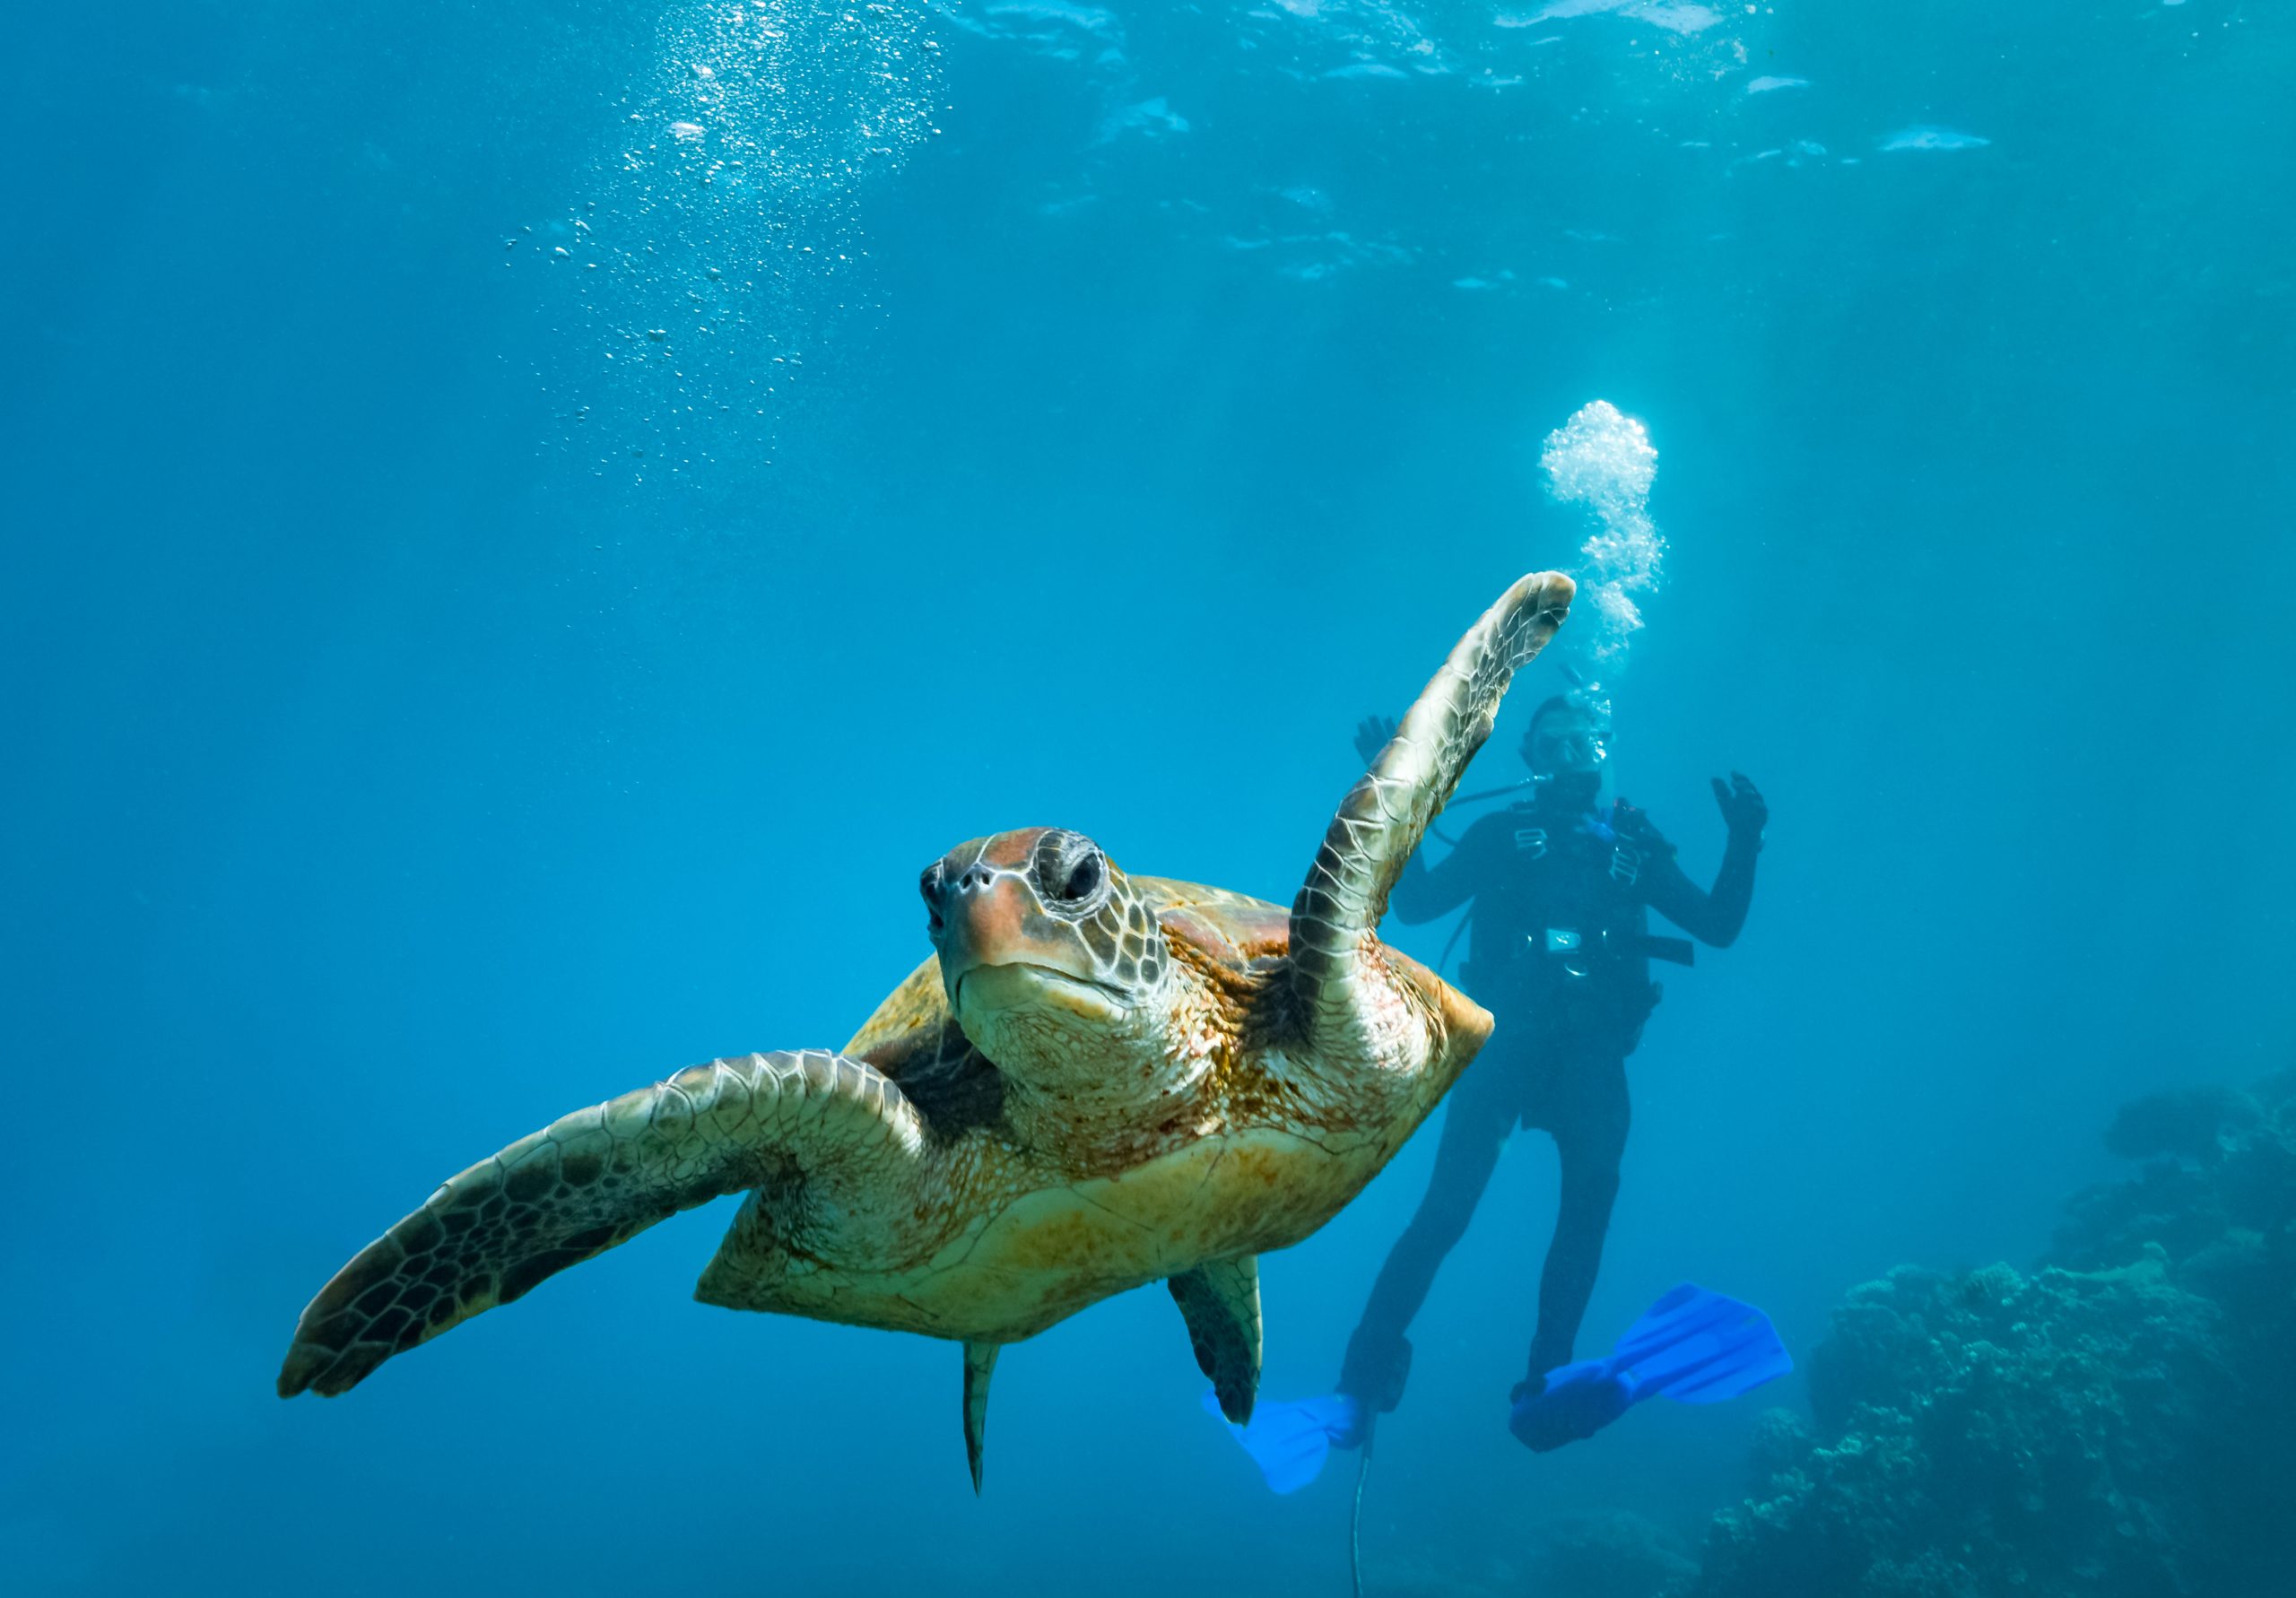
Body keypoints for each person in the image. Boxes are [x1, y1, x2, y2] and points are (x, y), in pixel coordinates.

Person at [1331, 687, 1767, 1450]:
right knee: (1445, 1213)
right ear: (1529, 759)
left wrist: (1745, 841)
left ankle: (1549, 1381)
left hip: (1593, 1053)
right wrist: (1388, 787)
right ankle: (1360, 1382)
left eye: (1583, 743)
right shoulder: (1503, 833)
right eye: (1553, 745)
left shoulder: (1633, 846)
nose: (1570, 756)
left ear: (1603, 751)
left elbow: (1719, 926)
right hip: (1506, 1046)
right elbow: (1423, 902)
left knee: (1591, 1199)